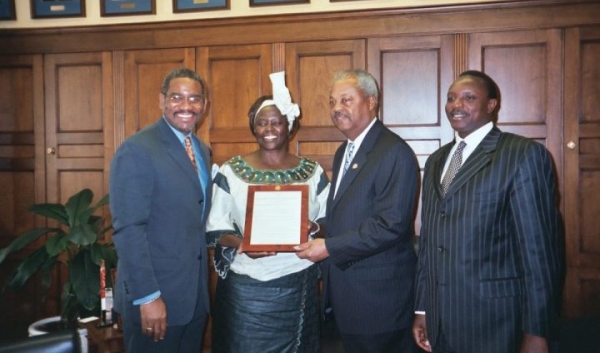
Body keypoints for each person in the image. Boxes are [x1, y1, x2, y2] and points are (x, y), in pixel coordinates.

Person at [412, 70, 564, 353]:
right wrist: (422, 308)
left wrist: (537, 332)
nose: (456, 105)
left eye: (469, 97)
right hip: (441, 321)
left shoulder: (521, 154)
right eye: (451, 98)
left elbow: (540, 252)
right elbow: (430, 245)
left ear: (491, 105)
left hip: (496, 323)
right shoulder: (436, 161)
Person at [295, 69, 420, 353]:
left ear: (372, 101)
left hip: (379, 303)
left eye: (346, 100)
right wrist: (317, 230)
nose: (337, 108)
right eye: (332, 102)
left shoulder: (393, 151)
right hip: (347, 297)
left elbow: (391, 225)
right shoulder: (344, 152)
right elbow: (349, 216)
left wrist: (327, 247)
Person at [207, 71, 330, 352]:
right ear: (253, 127)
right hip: (245, 290)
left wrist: (311, 228)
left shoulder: (312, 172)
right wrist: (242, 244)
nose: (269, 129)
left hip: (297, 283)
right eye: (261, 123)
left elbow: (329, 221)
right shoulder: (231, 172)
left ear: (289, 126)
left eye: (276, 122)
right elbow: (215, 228)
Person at [110, 68, 212, 352]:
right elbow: (129, 229)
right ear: (162, 100)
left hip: (193, 300)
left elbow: (195, 218)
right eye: (177, 97)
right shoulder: (138, 150)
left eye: (194, 99)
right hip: (156, 302)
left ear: (204, 105)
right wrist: (148, 297)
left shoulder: (202, 151)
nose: (186, 106)